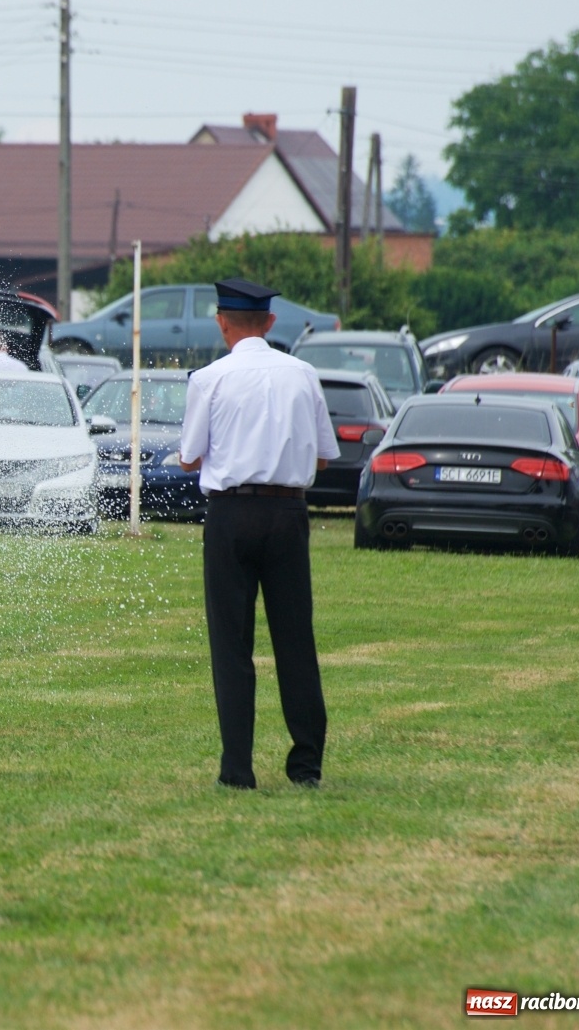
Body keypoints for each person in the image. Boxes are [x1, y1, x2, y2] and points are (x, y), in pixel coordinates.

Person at [177, 278, 339, 791]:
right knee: (295, 639)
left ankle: (238, 768)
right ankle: (306, 763)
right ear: (270, 323)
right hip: (287, 514)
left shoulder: (209, 378)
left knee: (231, 644)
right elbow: (322, 454)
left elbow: (188, 457)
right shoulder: (304, 374)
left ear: (222, 322)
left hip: (229, 514)